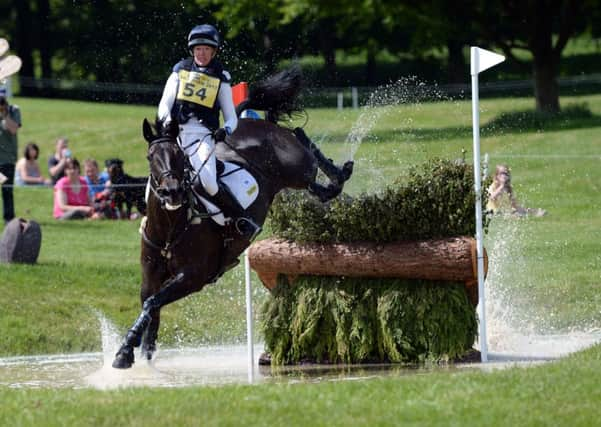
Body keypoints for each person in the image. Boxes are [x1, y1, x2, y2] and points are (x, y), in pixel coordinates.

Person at [157, 23, 260, 240]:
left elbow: (231, 116)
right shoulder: (180, 71)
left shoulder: (220, 77)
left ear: (213, 52)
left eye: (206, 49)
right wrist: (167, 122)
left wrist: (226, 130)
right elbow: (164, 105)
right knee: (160, 174)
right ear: (192, 51)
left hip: (202, 136)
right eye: (198, 49)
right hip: (175, 134)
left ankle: (238, 219)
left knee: (209, 182)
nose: (201, 54)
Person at [0, 86, 21, 224]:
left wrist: (4, 114)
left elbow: (13, 130)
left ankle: (9, 219)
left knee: (7, 191)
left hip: (7, 159)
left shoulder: (14, 110)